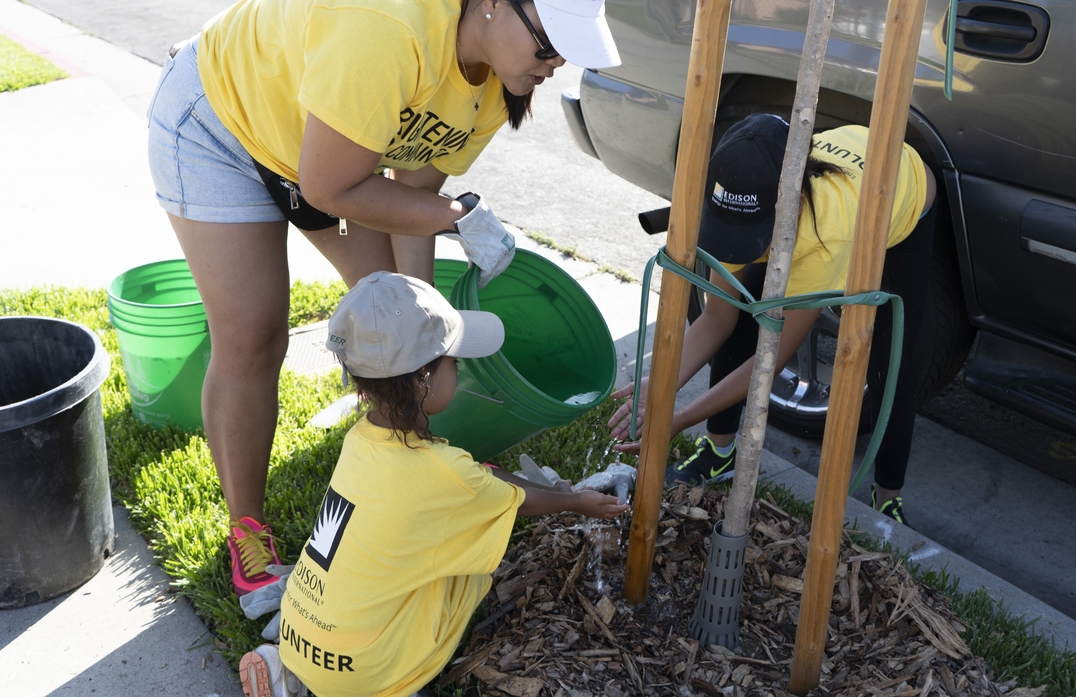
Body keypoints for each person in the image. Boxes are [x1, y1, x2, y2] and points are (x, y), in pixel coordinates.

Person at [145, 0, 621, 596]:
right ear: (496, 4)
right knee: (252, 336)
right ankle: (249, 536)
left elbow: (408, 197)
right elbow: (332, 186)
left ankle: (413, 481)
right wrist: (458, 218)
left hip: (330, 152)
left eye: (568, 53)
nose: (556, 65)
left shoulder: (497, 85)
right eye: (549, 45)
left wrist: (422, 314)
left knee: (395, 326)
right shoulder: (388, 26)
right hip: (224, 123)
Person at [237, 272, 629, 697]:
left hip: (301, 636)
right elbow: (515, 501)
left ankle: (293, 677)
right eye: (455, 361)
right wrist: (574, 502)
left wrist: (561, 493)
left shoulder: (360, 439)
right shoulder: (446, 474)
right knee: (467, 568)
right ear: (425, 377)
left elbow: (473, 476)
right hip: (367, 672)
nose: (460, 368)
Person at [607, 113, 938, 526]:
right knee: (744, 318)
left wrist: (679, 419)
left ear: (789, 204)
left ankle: (888, 496)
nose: (739, 247)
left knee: (892, 363)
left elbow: (772, 359)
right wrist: (660, 383)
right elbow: (717, 318)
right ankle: (719, 453)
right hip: (842, 178)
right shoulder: (737, 195)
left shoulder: (825, 235)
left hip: (905, 196)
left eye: (751, 236)